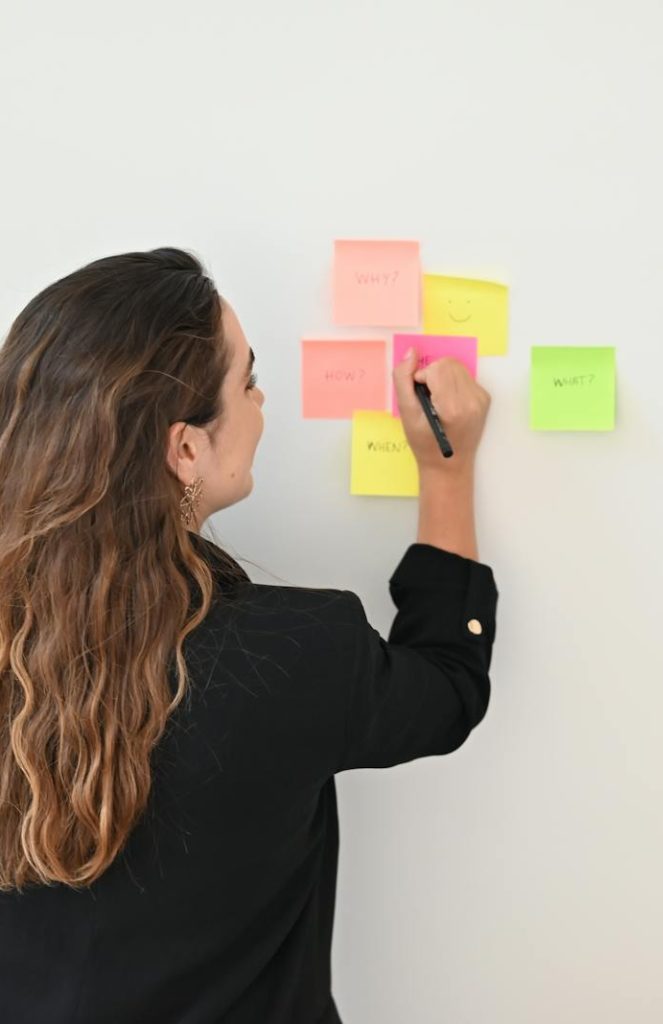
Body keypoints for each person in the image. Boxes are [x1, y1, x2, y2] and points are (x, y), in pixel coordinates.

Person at [0, 247, 498, 1023]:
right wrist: (446, 473)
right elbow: (447, 688)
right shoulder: (295, 652)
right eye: (249, 380)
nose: (263, 402)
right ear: (186, 448)